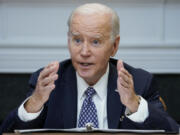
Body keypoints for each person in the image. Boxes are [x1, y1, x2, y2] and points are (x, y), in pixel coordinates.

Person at [0, 3, 179, 134]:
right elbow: (7, 131)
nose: (84, 52)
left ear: (114, 46)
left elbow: (172, 131)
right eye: (77, 40)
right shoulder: (49, 82)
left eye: (95, 41)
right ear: (68, 40)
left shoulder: (139, 82)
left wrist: (134, 105)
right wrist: (34, 104)